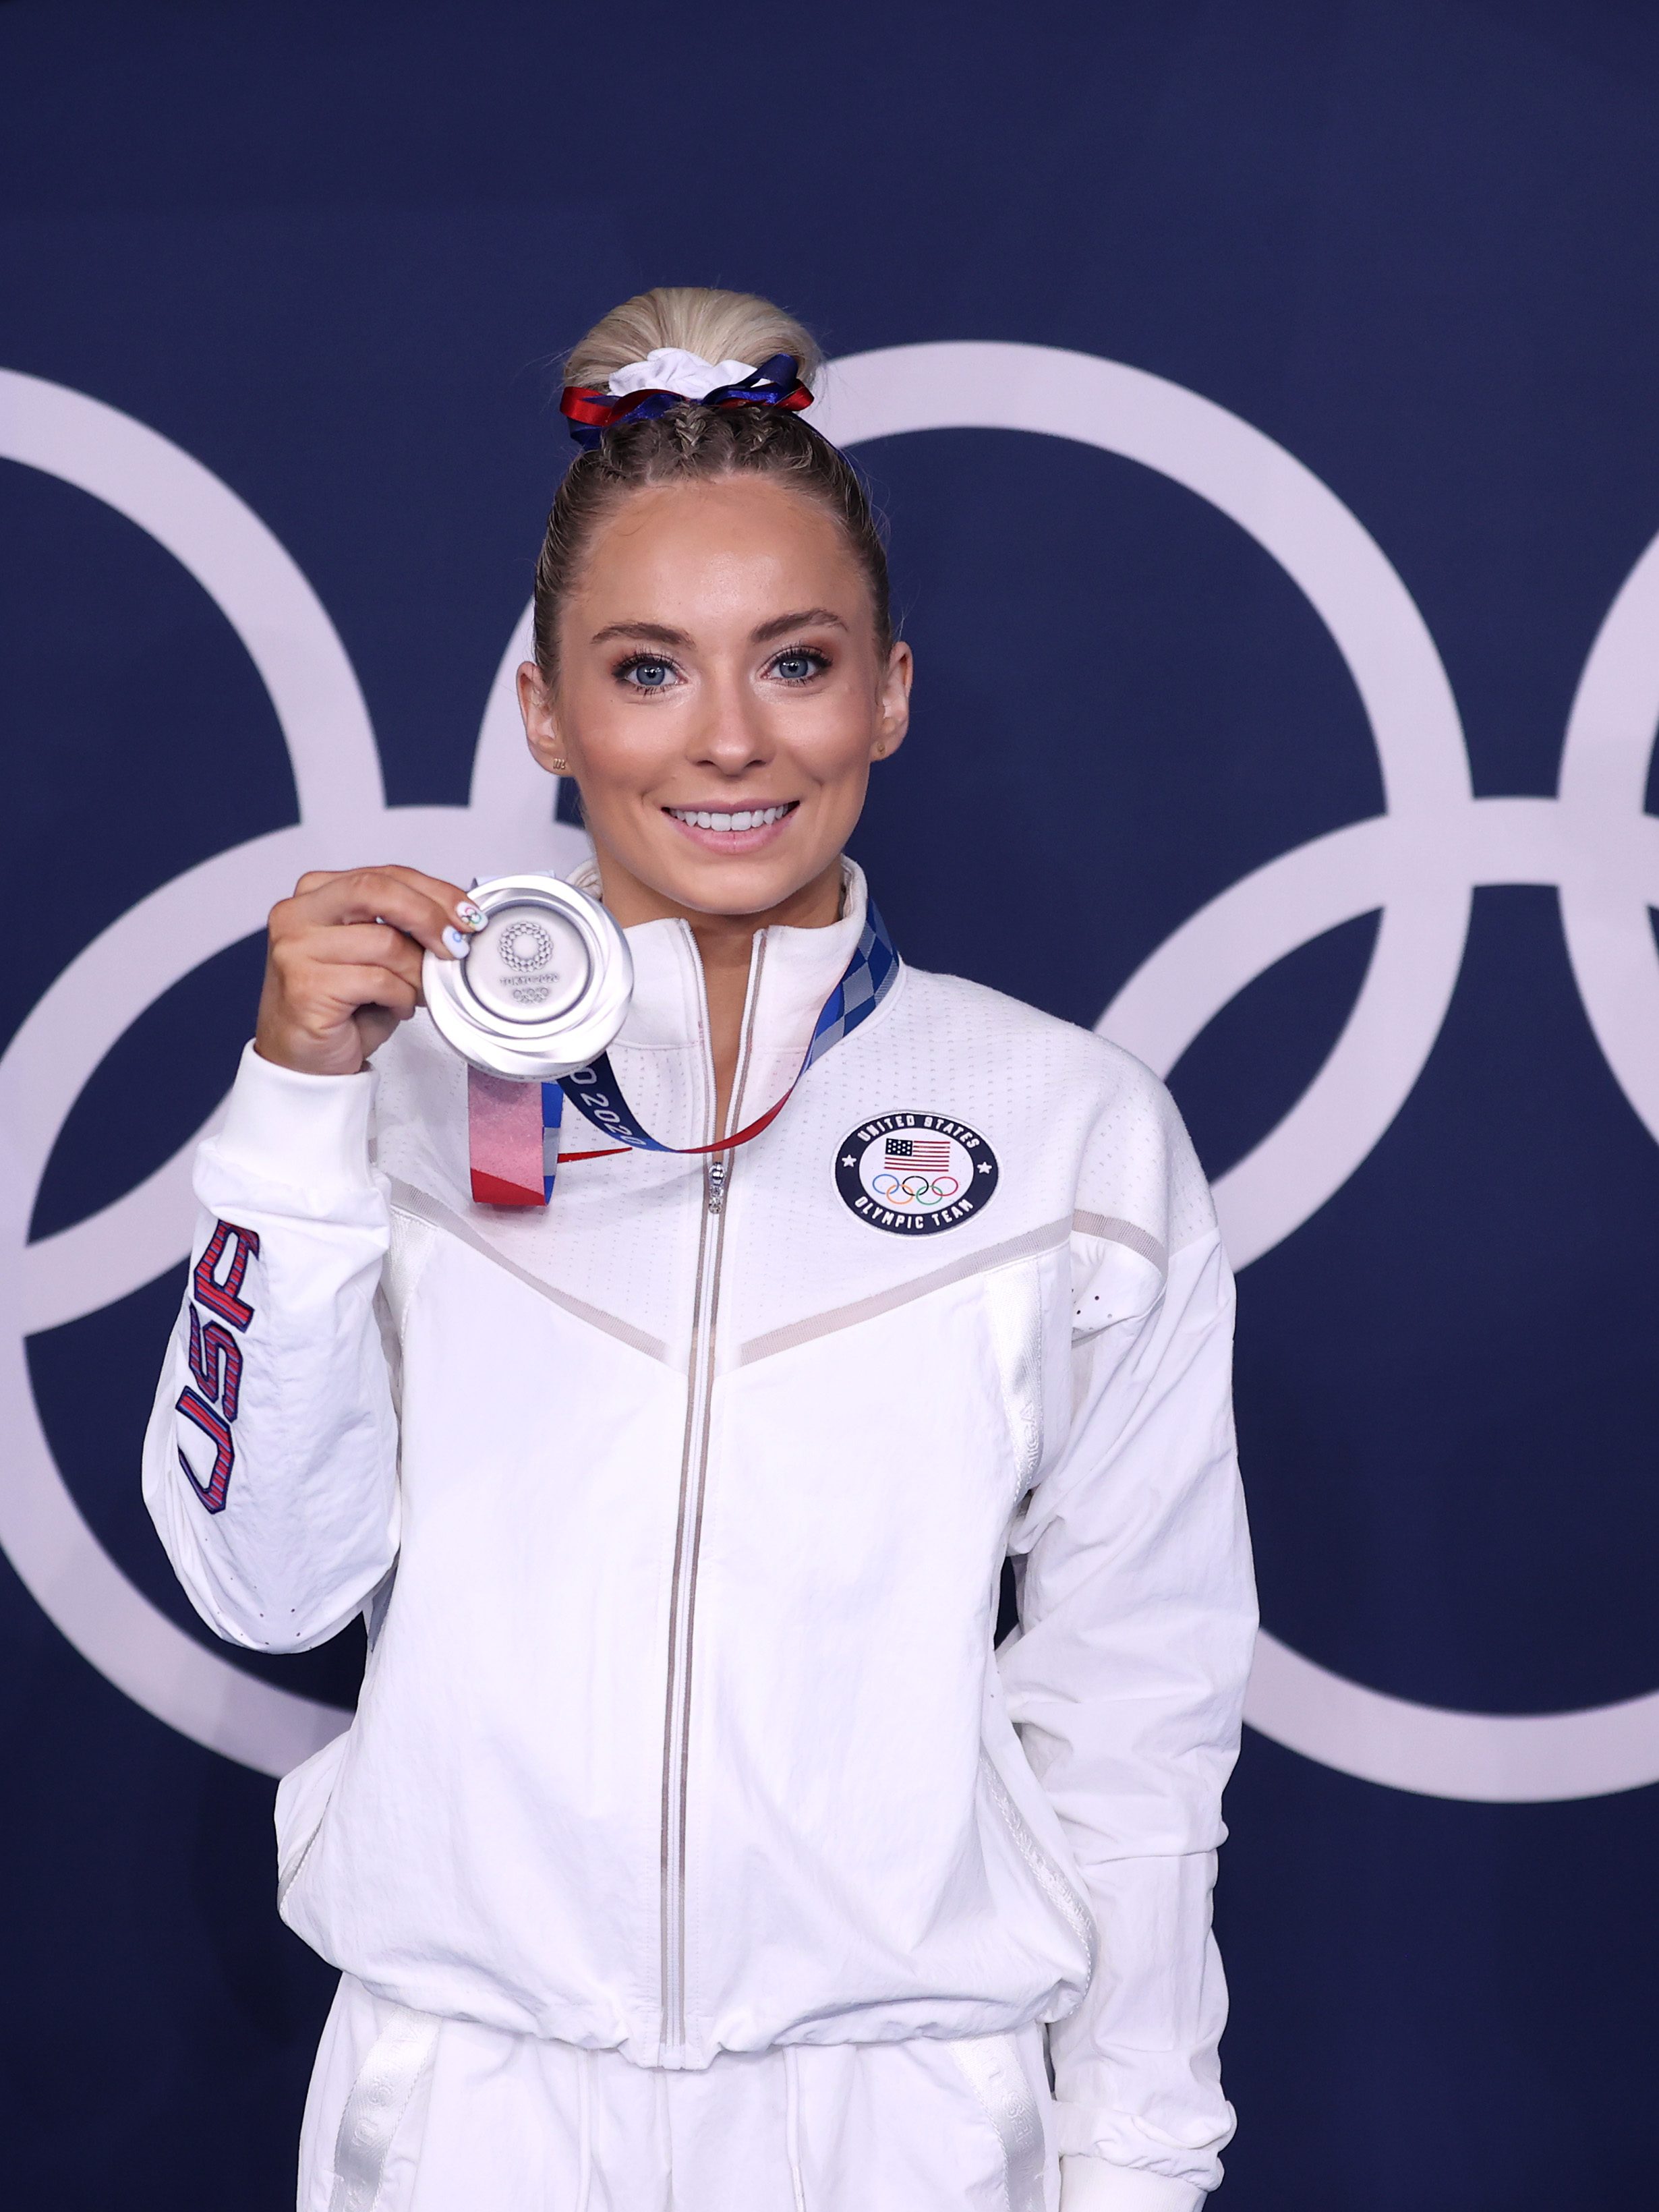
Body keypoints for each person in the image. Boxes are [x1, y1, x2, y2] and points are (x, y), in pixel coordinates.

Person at [144, 286, 1256, 2212]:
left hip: (900, 2123)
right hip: (472, 2116)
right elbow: (261, 1580)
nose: (729, 738)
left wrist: (1141, 2160)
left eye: (796, 661)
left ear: (890, 690)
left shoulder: (1071, 1133)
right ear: (544, 708)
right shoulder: (392, 1097)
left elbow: (1136, 1710)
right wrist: (291, 1114)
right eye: (648, 670)